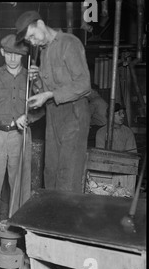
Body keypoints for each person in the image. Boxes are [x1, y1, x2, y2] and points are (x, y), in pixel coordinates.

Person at [16, 10, 92, 193]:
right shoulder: (44, 51)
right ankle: (53, 219)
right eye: (29, 40)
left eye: (33, 36)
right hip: (54, 117)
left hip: (74, 115)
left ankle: (67, 220)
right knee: (50, 172)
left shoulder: (69, 43)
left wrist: (49, 95)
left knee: (68, 175)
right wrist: (36, 81)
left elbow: (84, 84)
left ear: (41, 24)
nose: (32, 42)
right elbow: (44, 91)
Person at [0, 34, 43, 217]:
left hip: (19, 136)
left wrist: (27, 117)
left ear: (24, 55)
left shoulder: (31, 79)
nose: (13, 59)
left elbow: (41, 108)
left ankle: (18, 227)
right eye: (9, 54)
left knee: (21, 185)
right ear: (2, 52)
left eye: (17, 54)